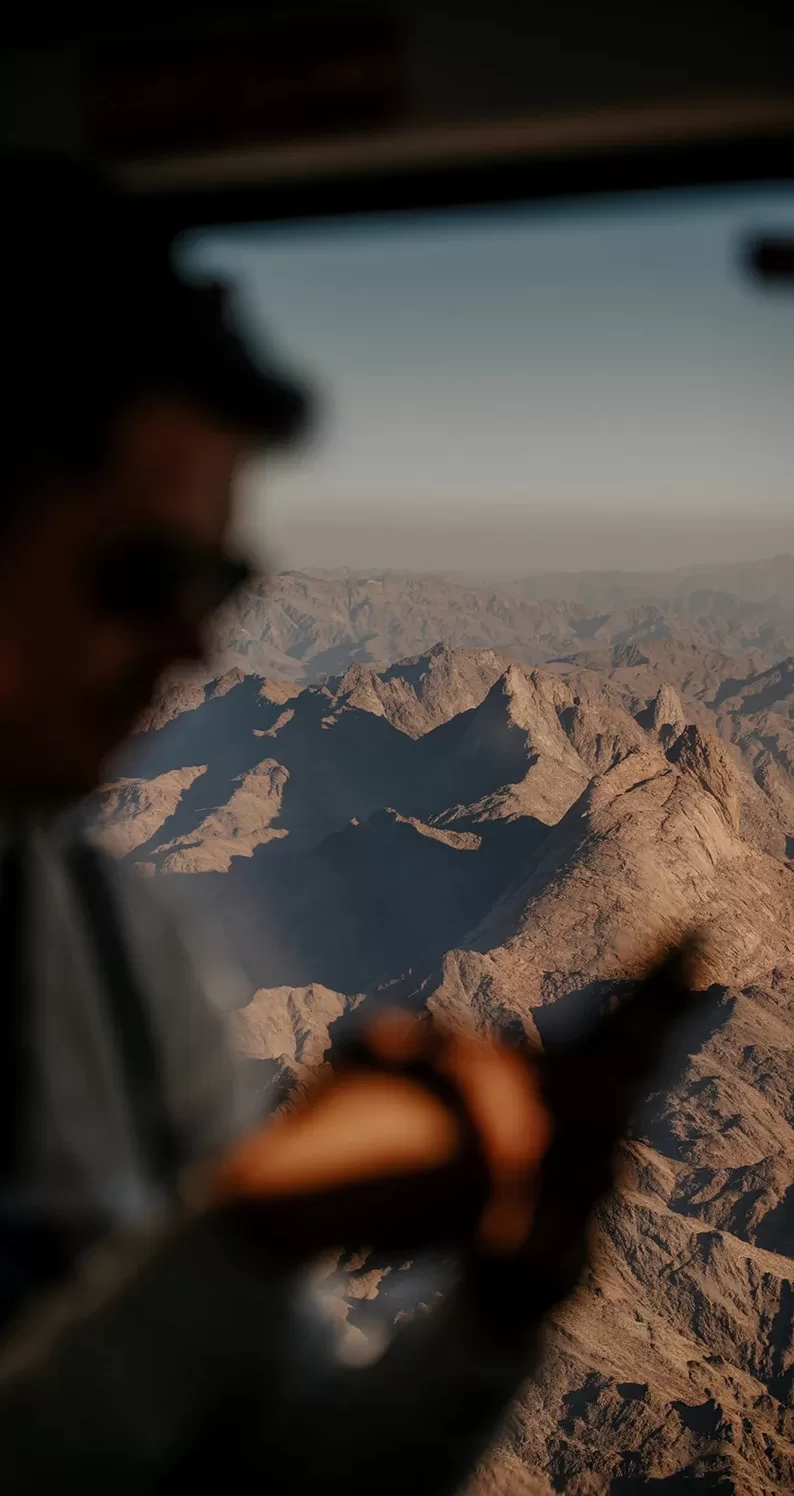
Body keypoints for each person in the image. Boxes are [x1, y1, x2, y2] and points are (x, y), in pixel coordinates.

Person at [0, 150, 693, 1493]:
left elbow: (279, 1457)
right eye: (142, 572)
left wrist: (508, 1295)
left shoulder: (103, 934)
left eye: (220, 578)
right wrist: (251, 1240)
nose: (195, 643)